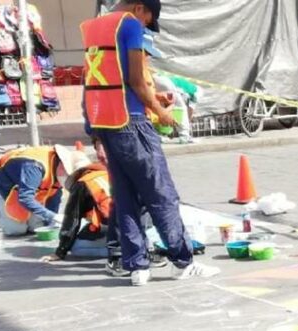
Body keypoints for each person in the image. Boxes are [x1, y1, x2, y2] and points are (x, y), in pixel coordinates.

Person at [80, 0, 218, 286]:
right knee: (161, 194)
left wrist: (93, 132)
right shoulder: (129, 24)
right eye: (148, 20)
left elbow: (90, 82)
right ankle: (183, 261)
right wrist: (161, 112)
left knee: (126, 197)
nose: (145, 26)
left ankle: (137, 267)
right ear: (139, 8)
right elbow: (136, 79)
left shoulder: (95, 28)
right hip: (131, 122)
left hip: (105, 122)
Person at [0, 144, 90, 237]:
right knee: (16, 230)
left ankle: (21, 217)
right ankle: (2, 214)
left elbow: (54, 196)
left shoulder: (59, 172)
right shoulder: (34, 167)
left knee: (38, 227)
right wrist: (53, 216)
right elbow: (25, 198)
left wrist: (52, 221)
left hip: (21, 186)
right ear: (63, 166)